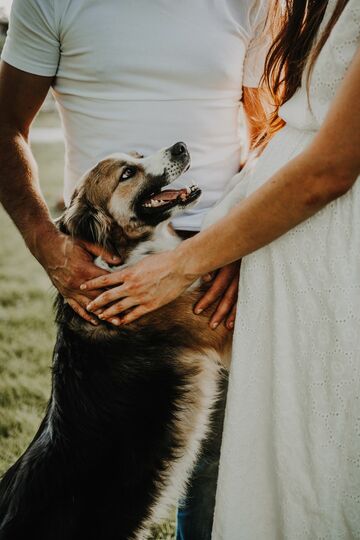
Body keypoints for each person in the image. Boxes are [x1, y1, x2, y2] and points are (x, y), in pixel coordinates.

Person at [81, 0, 360, 537]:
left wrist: (190, 260)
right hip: (260, 251)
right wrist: (235, 238)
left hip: (324, 260)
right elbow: (289, 128)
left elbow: (331, 166)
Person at [0, 1, 272, 538]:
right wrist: (47, 242)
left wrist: (244, 240)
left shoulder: (251, 1)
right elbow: (4, 123)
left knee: (223, 465)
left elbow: (265, 122)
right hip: (109, 263)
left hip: (228, 250)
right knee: (98, 457)